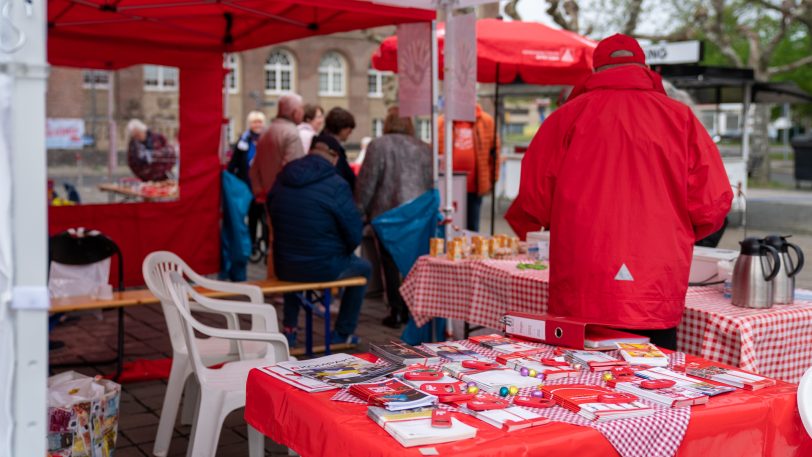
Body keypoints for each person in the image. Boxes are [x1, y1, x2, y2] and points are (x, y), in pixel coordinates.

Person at [505, 34, 733, 349]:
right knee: (657, 388)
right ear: (645, 67)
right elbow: (712, 204)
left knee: (579, 385)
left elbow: (533, 204)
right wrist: (672, 239)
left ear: (596, 70)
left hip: (582, 282)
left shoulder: (565, 119)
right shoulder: (680, 119)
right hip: (654, 283)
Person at [267, 134, 370, 347]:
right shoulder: (336, 184)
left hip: (285, 265)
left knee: (295, 262)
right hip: (324, 265)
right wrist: (344, 250)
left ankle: (290, 330)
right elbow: (354, 233)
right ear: (333, 157)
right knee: (364, 268)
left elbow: (272, 213)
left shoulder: (283, 176)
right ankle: (342, 333)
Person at [356, 108, 433, 328]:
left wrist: (360, 210)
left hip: (388, 214)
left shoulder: (378, 145)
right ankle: (414, 310)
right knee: (415, 263)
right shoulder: (424, 148)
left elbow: (367, 182)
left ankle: (396, 310)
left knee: (389, 264)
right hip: (418, 213)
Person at [250, 94, 306, 278]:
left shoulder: (267, 131)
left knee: (275, 242)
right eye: (302, 109)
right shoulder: (290, 133)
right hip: (286, 198)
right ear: (296, 111)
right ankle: (283, 286)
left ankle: (274, 282)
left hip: (270, 196)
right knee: (286, 243)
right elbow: (293, 170)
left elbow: (254, 167)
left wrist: (261, 192)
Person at [438, 103, 500, 232]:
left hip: (475, 186)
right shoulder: (443, 121)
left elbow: (495, 152)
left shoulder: (486, 121)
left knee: (472, 226)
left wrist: (493, 178)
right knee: (448, 226)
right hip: (448, 187)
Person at [227, 111, 267, 254]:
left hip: (264, 184)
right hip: (248, 185)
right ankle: (251, 245)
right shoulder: (243, 141)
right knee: (252, 217)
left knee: (266, 219)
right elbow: (234, 162)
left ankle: (267, 246)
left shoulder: (267, 139)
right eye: (254, 122)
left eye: (259, 122)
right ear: (250, 124)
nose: (257, 125)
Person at [322, 107, 356, 192]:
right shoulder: (333, 149)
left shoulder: (320, 142)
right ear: (342, 128)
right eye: (349, 129)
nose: (350, 133)